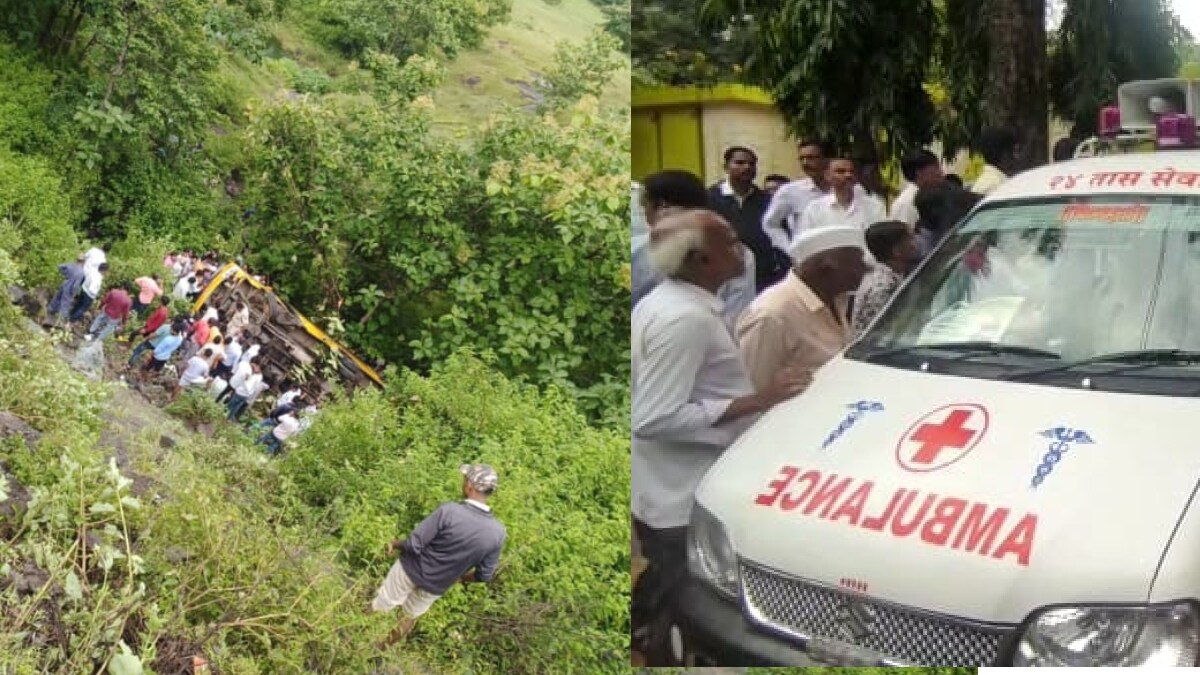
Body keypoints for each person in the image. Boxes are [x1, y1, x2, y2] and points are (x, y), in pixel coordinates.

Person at [630, 209, 808, 663]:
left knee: (673, 597)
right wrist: (760, 399)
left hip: (673, 489)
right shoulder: (683, 319)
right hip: (681, 496)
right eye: (729, 242)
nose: (742, 249)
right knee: (686, 612)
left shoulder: (674, 304)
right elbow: (654, 417)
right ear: (700, 260)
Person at [372, 464, 506, 648]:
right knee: (409, 617)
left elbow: (414, 544)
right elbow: (484, 575)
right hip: (437, 586)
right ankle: (377, 651)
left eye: (465, 479)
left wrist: (395, 544)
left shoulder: (450, 511)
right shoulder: (498, 532)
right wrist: (459, 578)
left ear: (470, 486)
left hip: (410, 569)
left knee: (383, 603)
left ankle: (355, 640)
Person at [736, 225, 869, 392]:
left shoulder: (838, 298)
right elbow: (753, 391)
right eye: (858, 262)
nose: (866, 268)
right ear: (827, 267)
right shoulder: (771, 315)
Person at [632, 170, 756, 328]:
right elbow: (738, 312)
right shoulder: (735, 250)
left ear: (662, 206)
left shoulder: (638, 249)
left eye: (645, 207)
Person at [707, 146, 788, 292]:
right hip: (723, 276)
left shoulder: (767, 201)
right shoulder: (709, 198)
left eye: (752, 164)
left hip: (761, 277)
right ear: (726, 167)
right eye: (740, 163)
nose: (747, 167)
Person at [852, 221, 922, 333]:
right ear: (896, 251)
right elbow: (887, 332)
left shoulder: (895, 275)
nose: (917, 242)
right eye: (911, 239)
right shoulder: (883, 287)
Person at [796, 156, 886, 235]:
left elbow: (882, 239)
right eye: (840, 171)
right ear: (827, 175)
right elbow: (805, 241)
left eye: (851, 171)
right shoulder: (814, 210)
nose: (848, 175)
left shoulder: (874, 206)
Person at [890, 150, 945, 229]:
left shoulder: (934, 193)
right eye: (936, 168)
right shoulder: (906, 203)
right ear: (919, 172)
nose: (940, 172)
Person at [972, 127, 1017, 195]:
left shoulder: (983, 180)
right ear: (1004, 153)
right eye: (1011, 152)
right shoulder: (997, 184)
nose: (1014, 157)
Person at [47, 257, 86, 324]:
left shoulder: (71, 265)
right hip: (70, 288)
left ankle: (50, 310)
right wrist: (73, 293)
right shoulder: (81, 272)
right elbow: (75, 285)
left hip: (65, 283)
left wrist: (65, 274)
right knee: (65, 304)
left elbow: (60, 266)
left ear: (77, 260)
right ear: (83, 262)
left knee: (57, 297)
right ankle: (60, 320)